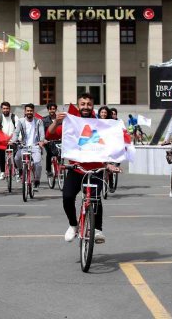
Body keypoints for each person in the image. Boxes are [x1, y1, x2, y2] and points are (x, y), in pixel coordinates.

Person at [57, 93, 119, 244]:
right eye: (83, 104)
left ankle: (97, 230)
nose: (85, 107)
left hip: (95, 170)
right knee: (67, 198)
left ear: (93, 106)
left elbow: (107, 145)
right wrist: (56, 122)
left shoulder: (99, 123)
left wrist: (109, 164)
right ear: (79, 105)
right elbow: (51, 133)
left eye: (88, 104)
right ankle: (73, 225)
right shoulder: (71, 122)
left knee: (95, 199)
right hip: (76, 168)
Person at [10, 103, 46, 190]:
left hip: (35, 146)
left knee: (37, 163)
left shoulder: (38, 121)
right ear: (25, 112)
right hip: (24, 146)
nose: (29, 112)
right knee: (16, 158)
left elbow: (42, 133)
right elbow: (16, 132)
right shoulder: (21, 121)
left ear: (33, 111)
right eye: (28, 111)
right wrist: (13, 140)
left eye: (31, 111)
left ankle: (37, 179)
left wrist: (41, 141)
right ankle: (21, 170)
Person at [0, 102, 19, 179]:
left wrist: (17, 138)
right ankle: (3, 172)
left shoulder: (14, 117)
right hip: (3, 141)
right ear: (1, 109)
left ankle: (17, 171)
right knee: (1, 154)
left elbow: (18, 129)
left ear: (10, 109)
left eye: (7, 108)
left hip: (13, 140)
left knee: (16, 155)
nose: (5, 110)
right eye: (4, 108)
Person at [42, 103, 58, 179]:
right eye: (50, 109)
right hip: (47, 140)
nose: (52, 110)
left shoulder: (59, 119)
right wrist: (43, 139)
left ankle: (60, 170)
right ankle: (48, 170)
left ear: (56, 109)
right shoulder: (44, 120)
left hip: (58, 140)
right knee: (49, 153)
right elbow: (42, 131)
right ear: (48, 110)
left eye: (53, 109)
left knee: (60, 153)